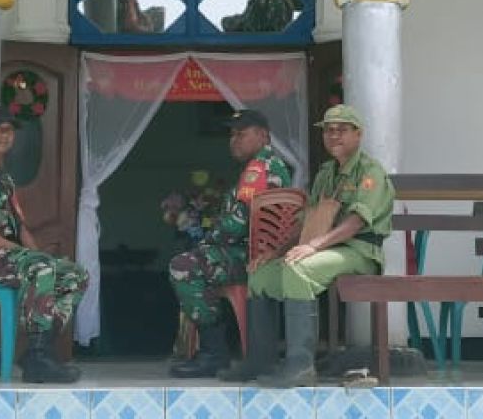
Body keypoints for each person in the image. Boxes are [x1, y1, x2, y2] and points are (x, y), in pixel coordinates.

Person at [233, 104, 394, 387]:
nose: (334, 136)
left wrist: (314, 246)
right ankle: (260, 361)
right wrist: (275, 252)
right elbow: (305, 220)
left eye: (342, 130)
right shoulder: (326, 173)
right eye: (329, 131)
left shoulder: (370, 172)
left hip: (359, 251)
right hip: (324, 248)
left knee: (299, 269)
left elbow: (356, 222)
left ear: (358, 134)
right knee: (260, 275)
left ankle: (300, 366)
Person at [0, 106, 90, 384]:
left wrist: (34, 254)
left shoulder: (4, 179)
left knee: (74, 274)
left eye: (9, 130)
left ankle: (40, 349)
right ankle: (37, 356)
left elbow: (20, 227)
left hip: (5, 258)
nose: (4, 134)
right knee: (42, 267)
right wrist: (23, 255)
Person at [168, 108, 292, 378]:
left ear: (263, 136)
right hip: (259, 255)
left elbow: (236, 223)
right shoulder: (271, 164)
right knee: (200, 261)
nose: (233, 140)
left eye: (241, 134)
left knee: (184, 266)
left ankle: (213, 353)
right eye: (231, 135)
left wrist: (207, 242)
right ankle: (214, 350)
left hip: (251, 258)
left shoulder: (258, 168)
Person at [221, 0, 302, 33]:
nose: (234, 16)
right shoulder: (250, 26)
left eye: (233, 17)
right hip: (278, 11)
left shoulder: (248, 12)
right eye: (232, 20)